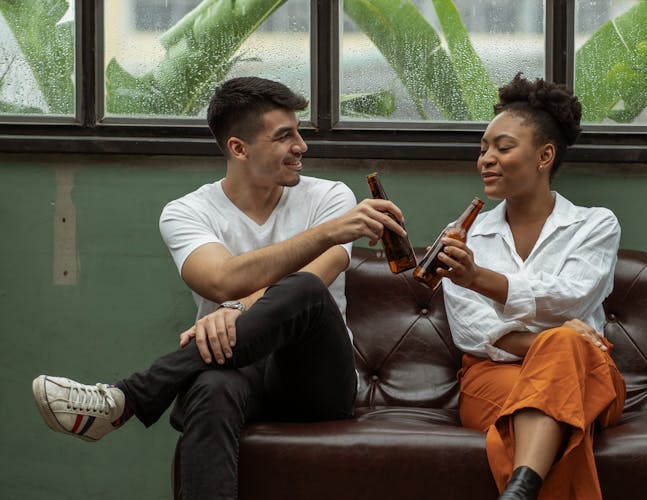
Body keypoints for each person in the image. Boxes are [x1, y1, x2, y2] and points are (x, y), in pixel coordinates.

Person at [31, 76, 407, 500]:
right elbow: (220, 278)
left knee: (305, 289)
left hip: (316, 380)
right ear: (239, 148)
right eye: (284, 136)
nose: (301, 146)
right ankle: (127, 401)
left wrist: (236, 310)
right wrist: (320, 239)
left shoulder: (329, 198)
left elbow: (327, 267)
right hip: (233, 371)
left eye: (298, 132)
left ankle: (129, 397)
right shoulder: (187, 212)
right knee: (210, 388)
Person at [435, 74, 626, 500]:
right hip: (494, 378)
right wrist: (559, 336)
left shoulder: (594, 225)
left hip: (587, 371)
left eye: (503, 148)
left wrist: (479, 279)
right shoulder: (463, 235)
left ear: (544, 156)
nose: (486, 158)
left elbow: (571, 298)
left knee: (568, 349)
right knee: (566, 357)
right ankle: (521, 488)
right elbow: (471, 331)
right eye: (483, 148)